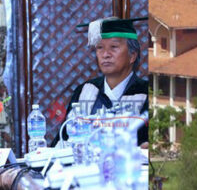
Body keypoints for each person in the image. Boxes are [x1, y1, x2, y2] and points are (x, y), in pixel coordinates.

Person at [54, 17, 149, 147]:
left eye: (114, 47)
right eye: (100, 48)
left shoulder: (146, 94)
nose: (105, 54)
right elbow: (62, 140)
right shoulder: (85, 91)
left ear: (132, 55)